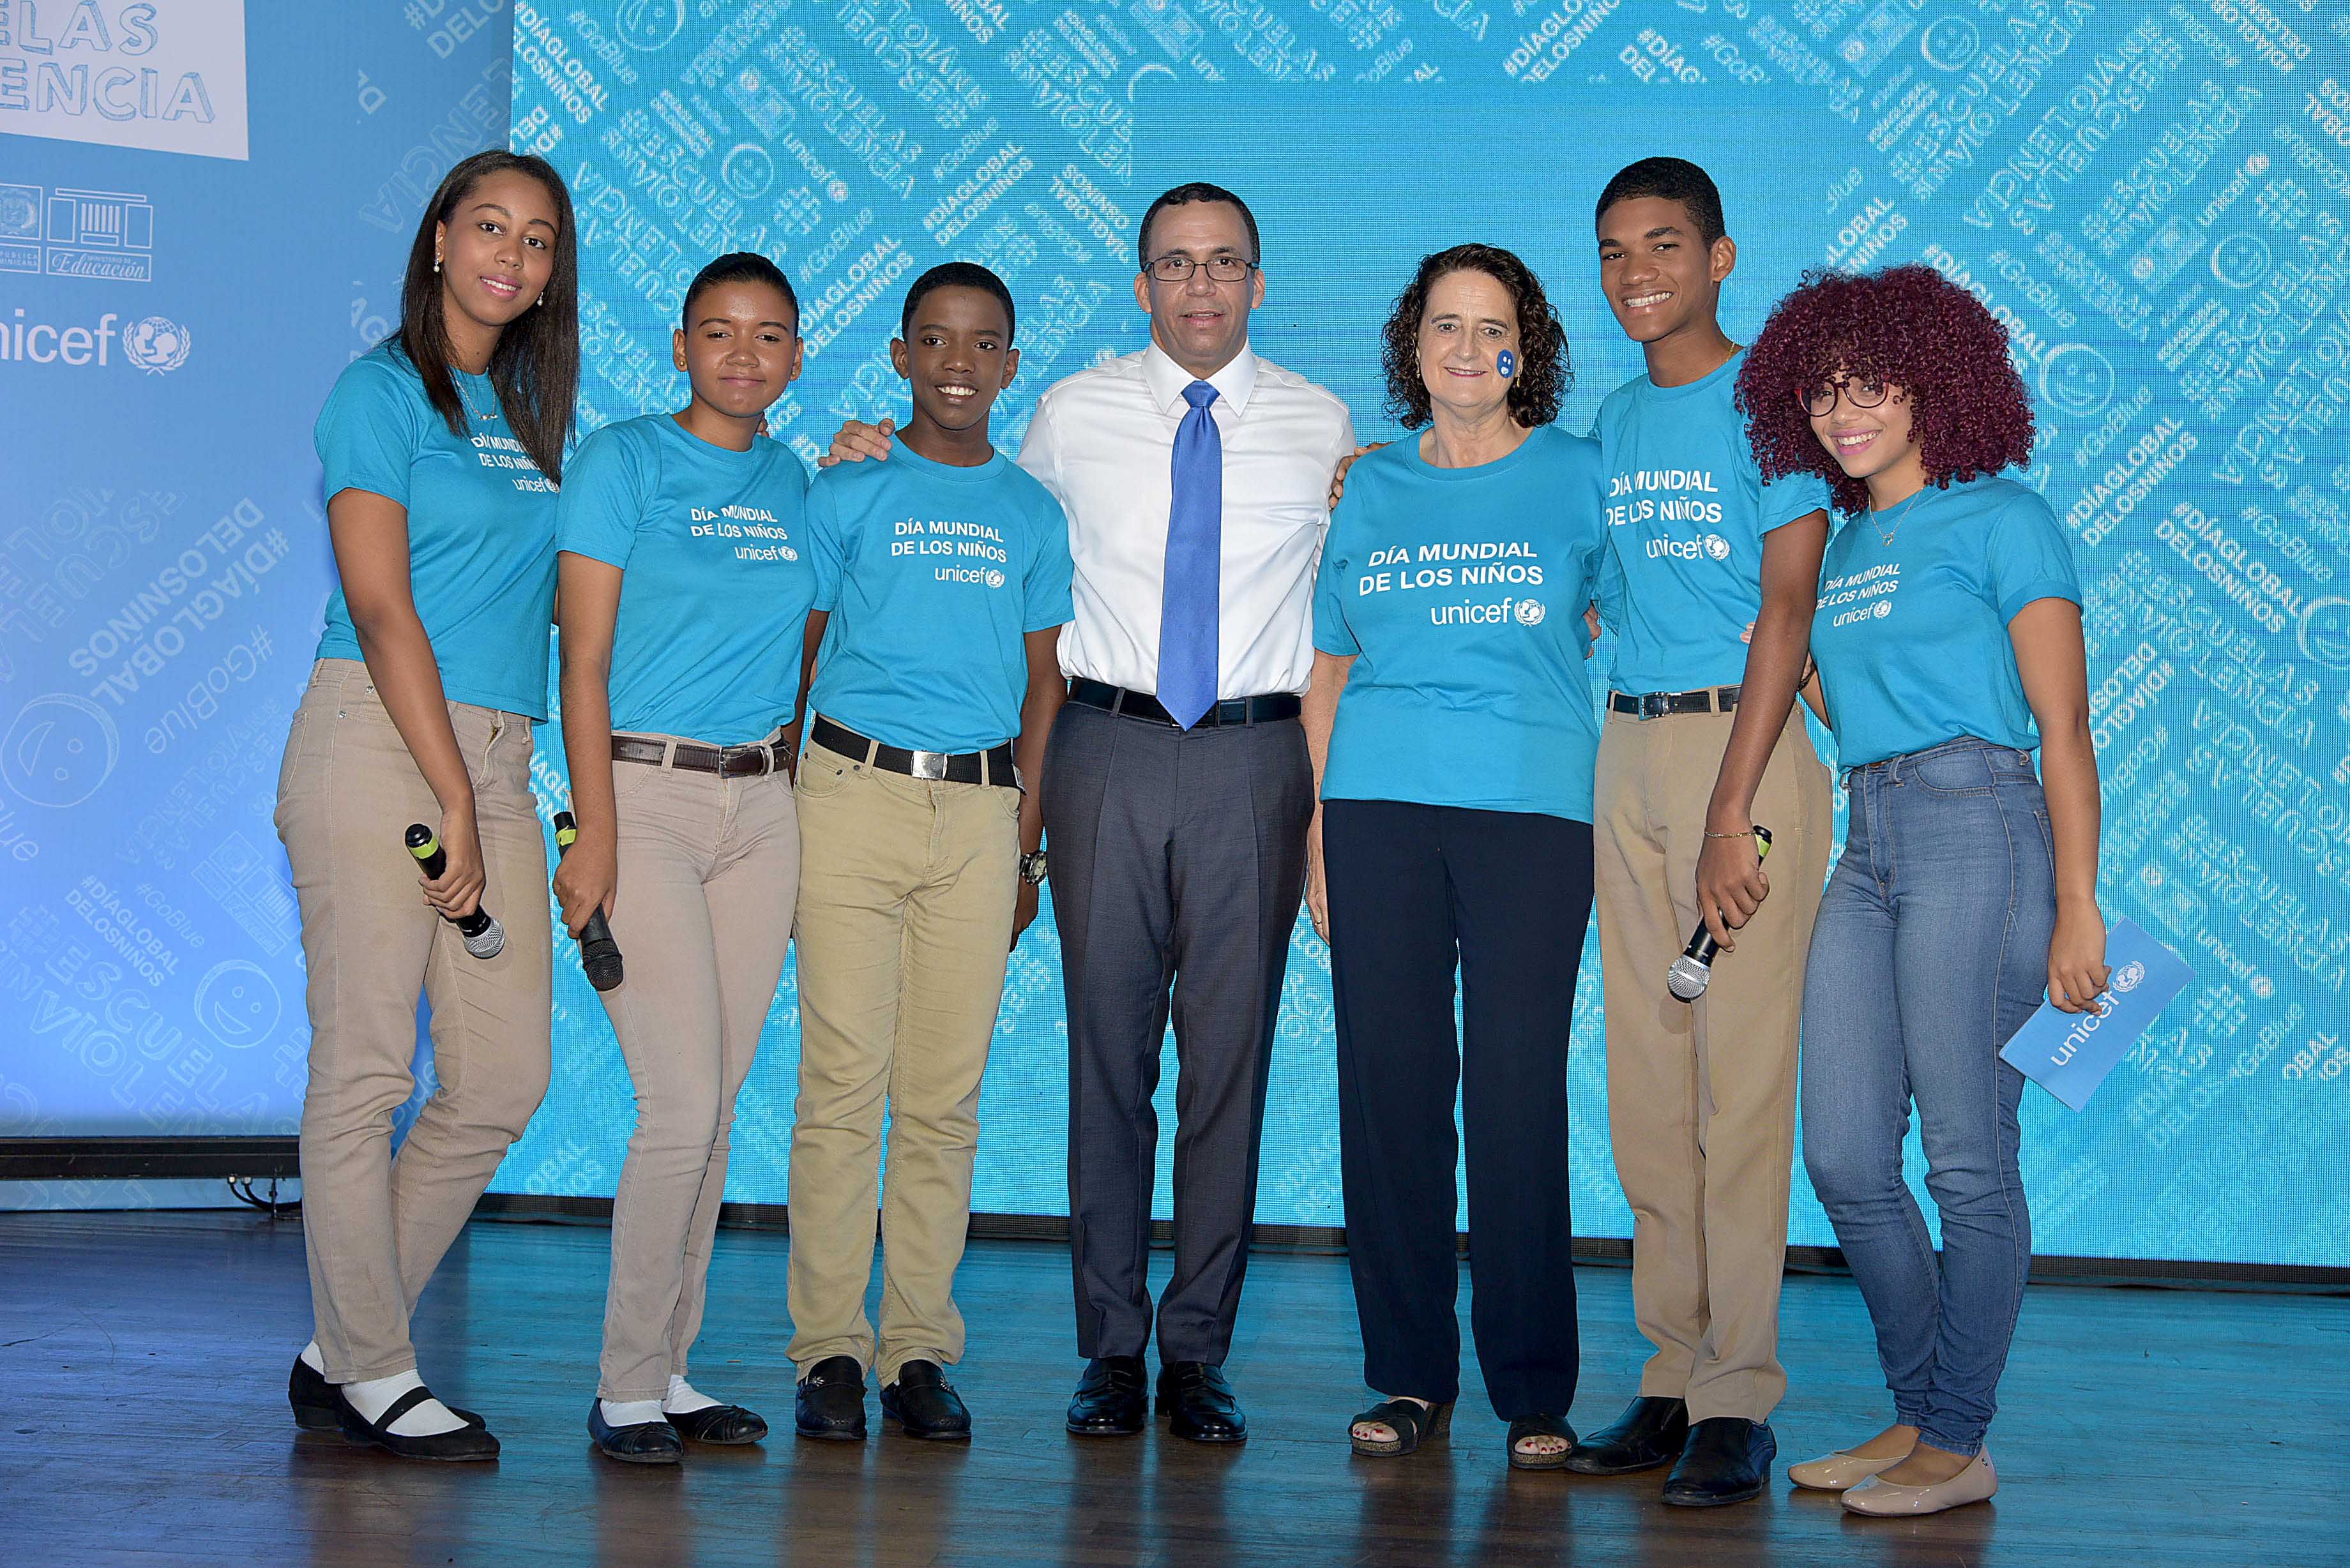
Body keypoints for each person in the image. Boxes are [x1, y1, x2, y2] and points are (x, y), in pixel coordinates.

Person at [825, 182, 1355, 1443]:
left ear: (1259, 282)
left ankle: (1199, 1354)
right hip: (1104, 749)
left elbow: (1368, 572)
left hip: (1254, 758)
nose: (1200, 286)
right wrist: (865, 447)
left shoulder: (1320, 423)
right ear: (1141, 285)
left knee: (1226, 1070)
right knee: (1105, 1064)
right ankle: (1111, 1349)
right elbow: (970, 501)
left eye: (1225, 262)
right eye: (1173, 264)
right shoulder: (1070, 413)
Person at [1736, 264, 2107, 1516]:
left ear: (1933, 384)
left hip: (1981, 829)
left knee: (1965, 1160)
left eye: (1873, 385)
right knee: (1842, 1153)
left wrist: (2078, 902)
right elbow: (1843, 701)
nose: (1845, 413)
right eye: (1825, 391)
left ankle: (1959, 1438)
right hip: (1872, 834)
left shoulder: (2006, 517)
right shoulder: (1842, 545)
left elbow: (2061, 726)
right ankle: (1917, 1417)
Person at [277, 149, 577, 1461]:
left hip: (496, 759)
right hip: (375, 743)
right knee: (365, 1070)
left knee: (504, 1074)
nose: (513, 253)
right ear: (440, 240)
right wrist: (451, 788)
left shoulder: (523, 417)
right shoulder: (377, 392)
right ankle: (378, 1367)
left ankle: (345, 1340)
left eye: (541, 238)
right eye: (491, 225)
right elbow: (385, 605)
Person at [1301, 245, 1605, 1470]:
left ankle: (1534, 1386)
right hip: (1375, 807)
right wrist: (1318, 835)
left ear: (1525, 348)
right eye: (1444, 326)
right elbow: (1328, 668)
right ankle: (1409, 1374)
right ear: (1410, 345)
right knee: (1392, 1095)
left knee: (1519, 1092)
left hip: (1534, 811)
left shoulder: (1582, 476)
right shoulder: (1368, 489)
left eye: (1493, 328)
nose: (1467, 348)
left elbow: (1636, 607)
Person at [1560, 156, 1834, 1507]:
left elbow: (1786, 605)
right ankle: (1670, 1372)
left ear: (1721, 256)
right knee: (1649, 1087)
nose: (1635, 273)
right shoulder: (1610, 420)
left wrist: (1734, 812)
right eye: (1612, 251)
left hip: (1748, 759)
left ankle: (1740, 1393)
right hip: (1629, 747)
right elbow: (1580, 580)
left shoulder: (1769, 406)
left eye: (1662, 245)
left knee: (1739, 1084)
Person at [783, 263, 1072, 1445]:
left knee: (944, 1099)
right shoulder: (846, 487)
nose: (960, 362)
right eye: (936, 341)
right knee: (843, 1085)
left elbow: (1045, 690)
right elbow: (794, 656)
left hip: (979, 817)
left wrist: (1028, 853)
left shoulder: (1033, 513)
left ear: (1012, 364)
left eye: (985, 343)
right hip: (847, 792)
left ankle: (913, 1348)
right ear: (900, 356)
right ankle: (827, 1353)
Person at [552, 252, 823, 1465]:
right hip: (643, 800)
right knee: (679, 1104)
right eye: (719, 330)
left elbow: (813, 650)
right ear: (679, 345)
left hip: (762, 810)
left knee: (717, 1111)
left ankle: (668, 1371)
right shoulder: (624, 462)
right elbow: (583, 663)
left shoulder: (804, 485)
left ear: (797, 358)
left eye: (769, 336)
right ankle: (620, 1388)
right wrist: (594, 825)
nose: (742, 353)